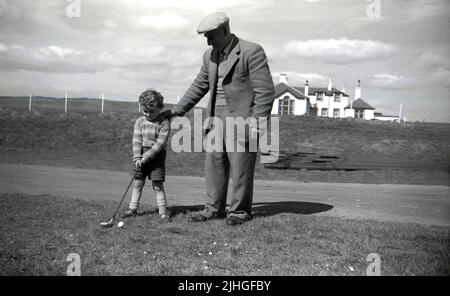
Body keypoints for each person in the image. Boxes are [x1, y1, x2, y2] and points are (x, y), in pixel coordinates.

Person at [164, 12, 275, 225]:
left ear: (225, 31)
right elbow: (199, 85)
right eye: (206, 37)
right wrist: (176, 110)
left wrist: (257, 122)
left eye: (211, 36)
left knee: (241, 169)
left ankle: (238, 212)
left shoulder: (252, 51)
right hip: (215, 119)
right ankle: (213, 210)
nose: (208, 41)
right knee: (214, 166)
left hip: (243, 120)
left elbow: (265, 92)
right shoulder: (210, 55)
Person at [123, 89, 171, 221]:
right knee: (138, 184)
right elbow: (136, 140)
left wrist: (147, 156)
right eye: (145, 111)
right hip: (141, 156)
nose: (148, 114)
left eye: (152, 111)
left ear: (160, 108)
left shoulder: (164, 123)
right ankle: (132, 209)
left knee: (157, 185)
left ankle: (163, 213)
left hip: (157, 157)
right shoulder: (140, 122)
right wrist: (137, 156)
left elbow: (160, 144)